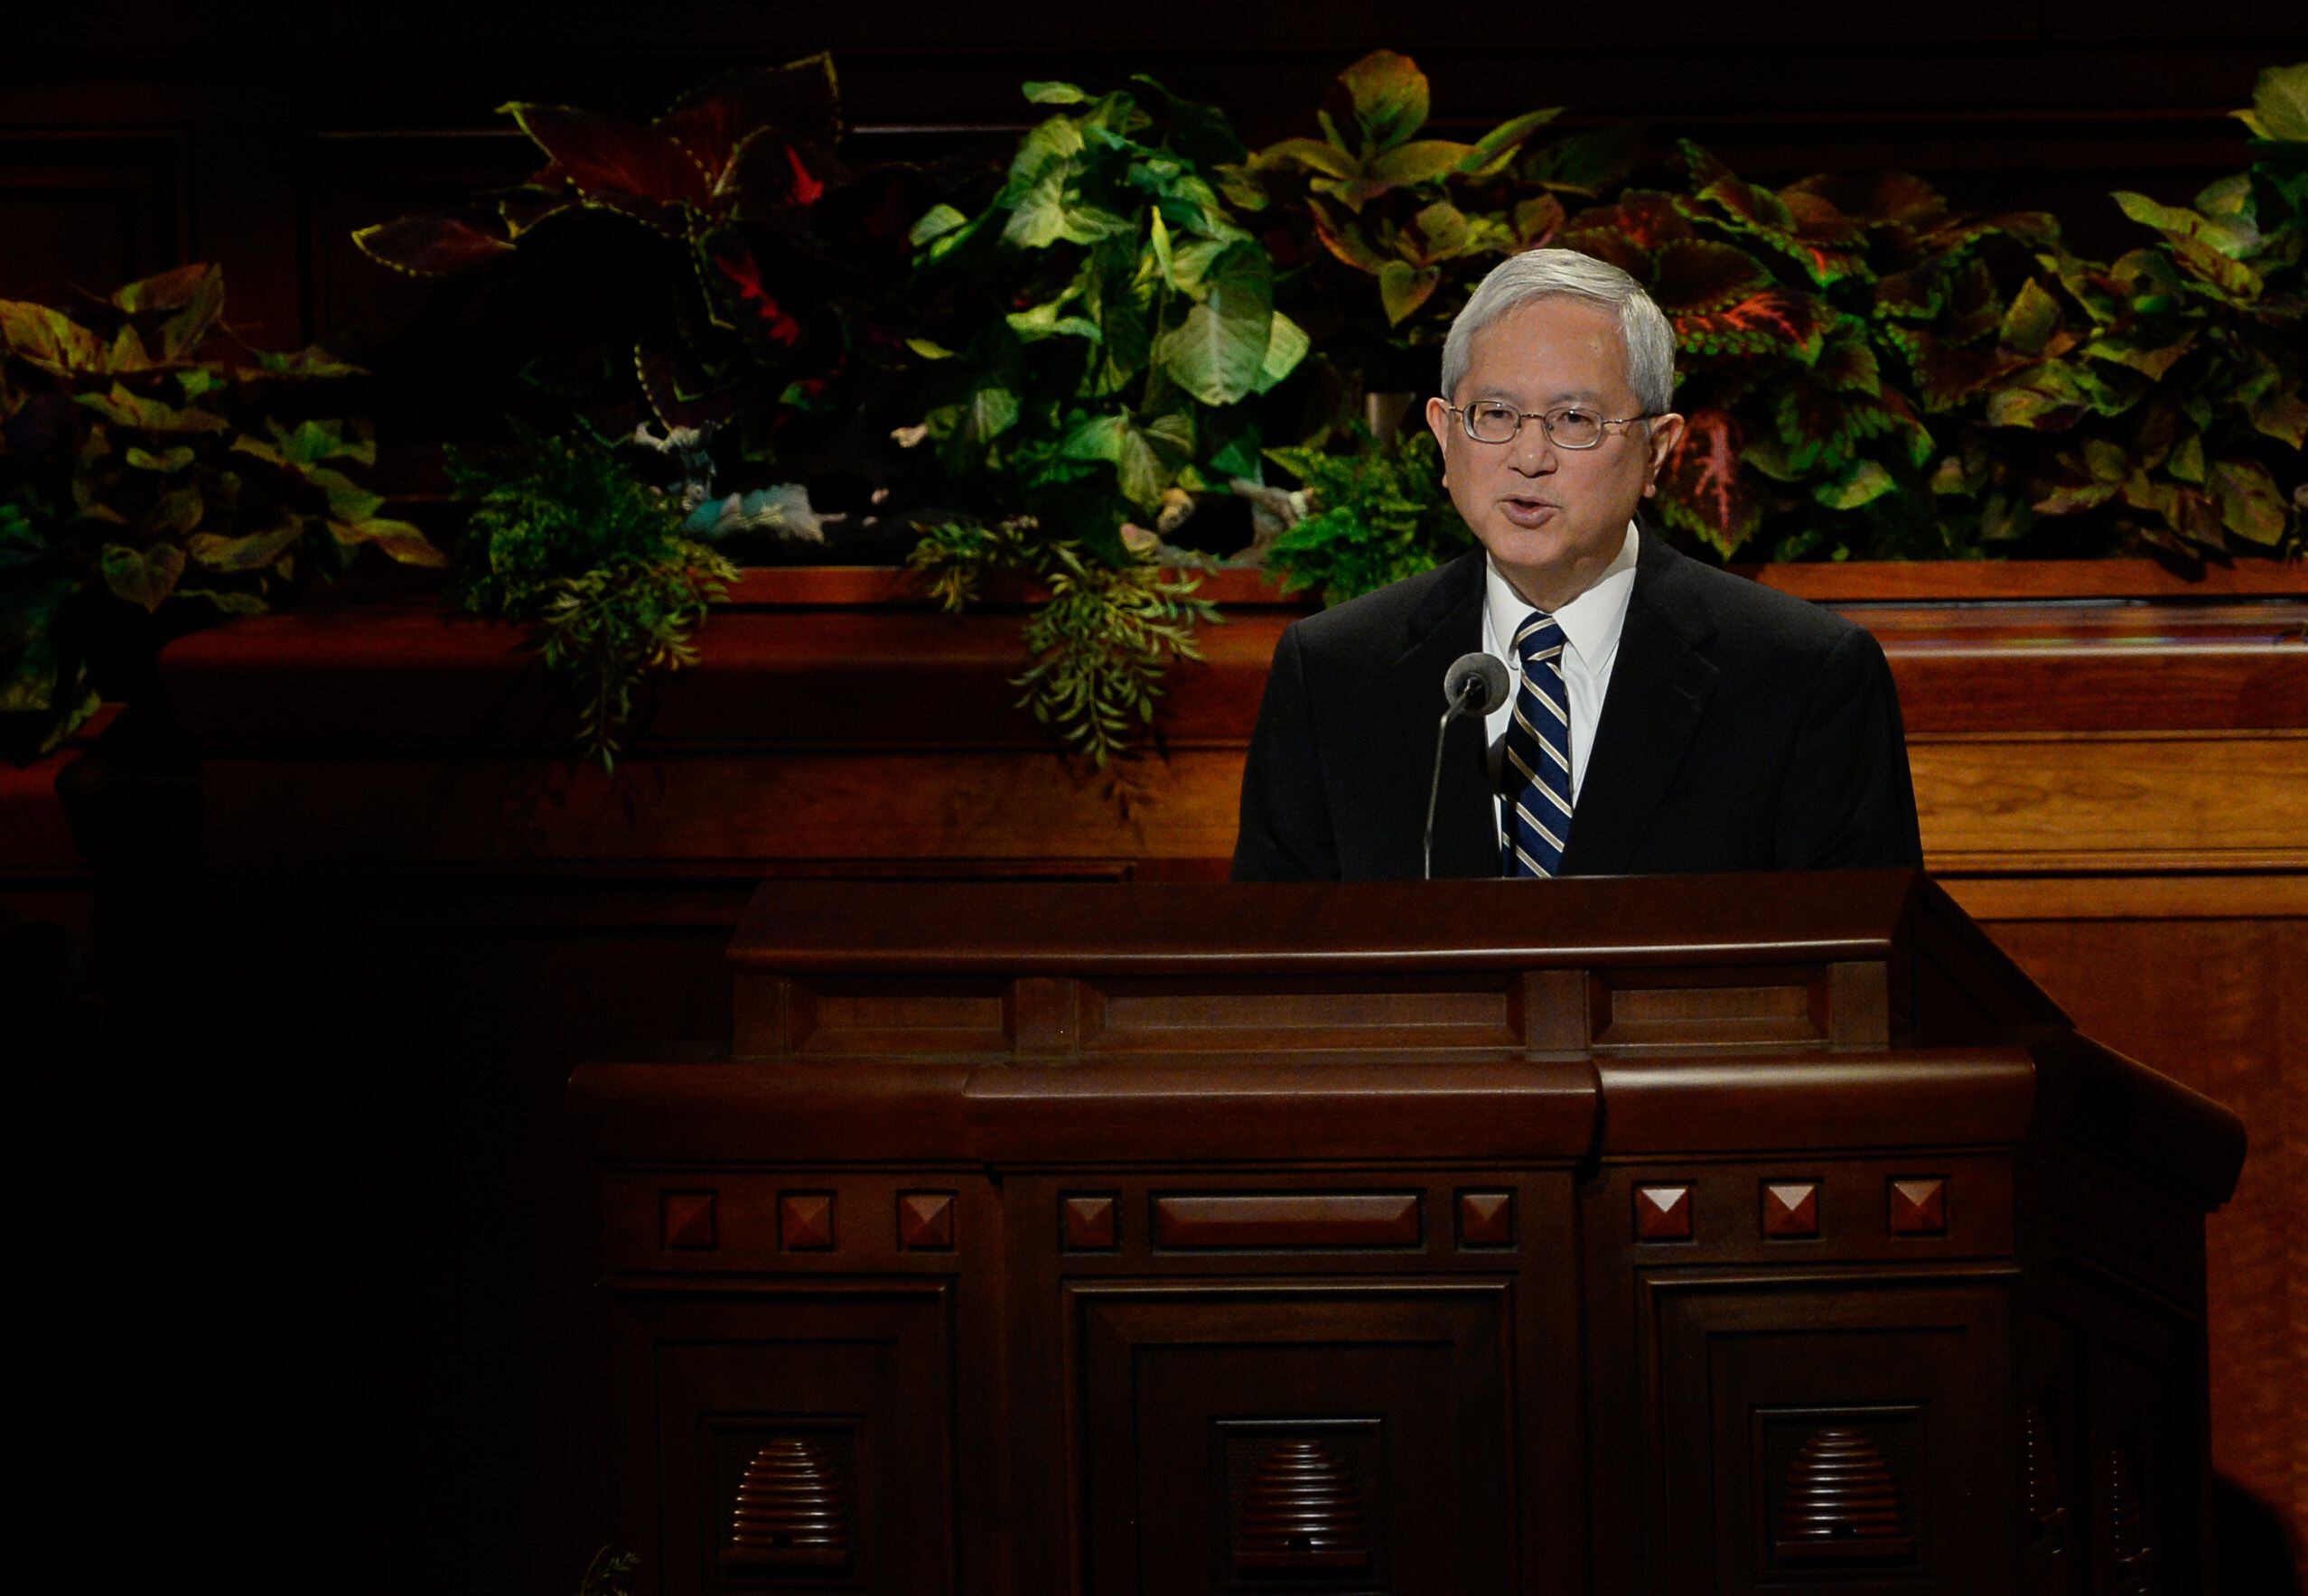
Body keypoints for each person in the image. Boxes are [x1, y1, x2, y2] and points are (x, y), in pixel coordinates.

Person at [1232, 248, 1923, 881]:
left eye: (1573, 421)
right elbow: (1274, 971)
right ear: (1444, 436)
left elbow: (1867, 974)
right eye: (1495, 414)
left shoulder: (1799, 676)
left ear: (1657, 449)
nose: (1528, 458)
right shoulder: (1332, 674)